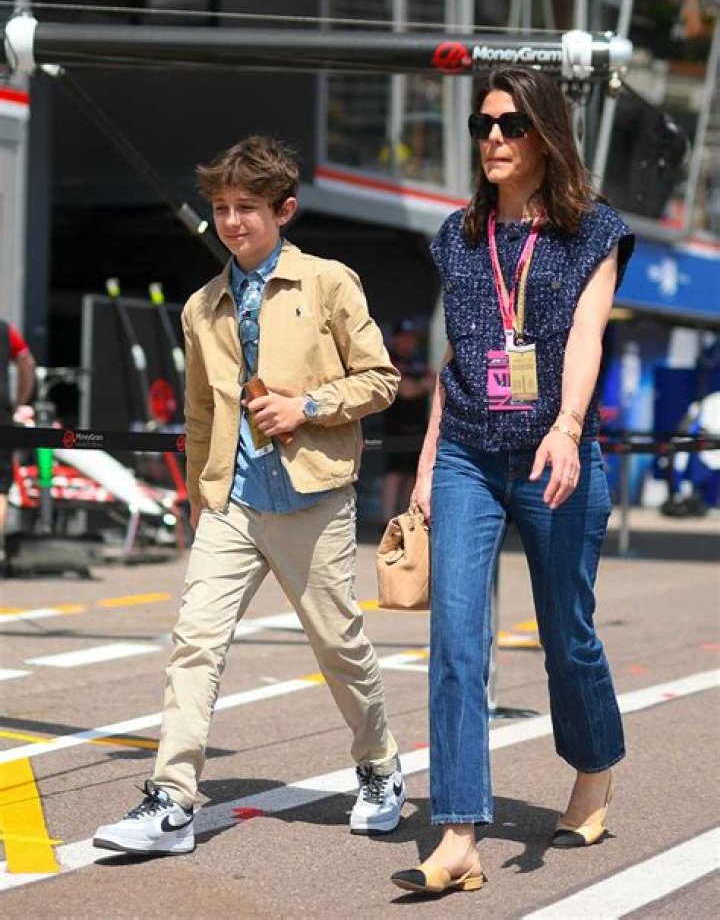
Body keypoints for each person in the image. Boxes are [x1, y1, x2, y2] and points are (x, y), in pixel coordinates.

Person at [94, 135, 405, 856]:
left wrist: (308, 406)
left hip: (312, 498)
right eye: (222, 208)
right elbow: (202, 411)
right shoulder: (202, 307)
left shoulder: (329, 283)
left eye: (248, 208)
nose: (232, 221)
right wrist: (200, 498)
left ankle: (380, 766)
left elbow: (381, 379)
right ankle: (172, 799)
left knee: (338, 645)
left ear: (283, 210)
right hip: (231, 503)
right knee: (194, 644)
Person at [391, 67, 635, 896]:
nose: (492, 138)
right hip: (467, 452)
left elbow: (586, 338)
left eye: (510, 125)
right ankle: (459, 832)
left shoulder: (593, 231)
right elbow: (458, 352)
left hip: (554, 458)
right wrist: (429, 461)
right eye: (482, 125)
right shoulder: (459, 236)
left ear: (546, 135)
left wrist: (567, 428)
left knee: (568, 635)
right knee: (456, 638)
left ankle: (594, 770)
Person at [381, 319, 434, 522]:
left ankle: (405, 520)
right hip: (396, 427)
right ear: (395, 339)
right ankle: (386, 520)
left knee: (412, 475)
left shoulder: (419, 360)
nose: (408, 342)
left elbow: (435, 380)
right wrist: (423, 385)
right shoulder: (389, 359)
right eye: (404, 337)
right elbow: (405, 390)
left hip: (419, 427)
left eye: (411, 337)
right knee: (394, 474)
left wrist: (421, 384)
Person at [0, 319, 36, 569]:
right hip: (0, 413)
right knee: (0, 488)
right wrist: (20, 401)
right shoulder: (4, 330)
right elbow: (26, 361)